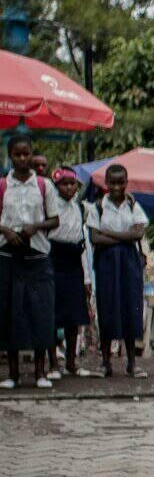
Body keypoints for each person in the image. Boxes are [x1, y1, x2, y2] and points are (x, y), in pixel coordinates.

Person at [0, 136, 59, 389]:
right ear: (10, 156)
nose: (22, 158)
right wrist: (6, 231)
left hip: (38, 256)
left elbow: (55, 219)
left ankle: (40, 372)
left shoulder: (44, 186)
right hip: (8, 255)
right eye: (17, 154)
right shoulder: (3, 185)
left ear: (32, 154)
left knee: (41, 313)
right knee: (10, 312)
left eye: (26, 154)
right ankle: (13, 374)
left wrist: (35, 227)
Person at [87, 164, 148, 379]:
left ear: (126, 182)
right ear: (106, 183)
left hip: (129, 263)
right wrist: (124, 236)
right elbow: (95, 238)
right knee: (107, 307)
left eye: (120, 182)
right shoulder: (98, 207)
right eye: (112, 182)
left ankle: (132, 363)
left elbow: (138, 234)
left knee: (130, 307)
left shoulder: (133, 206)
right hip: (106, 263)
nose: (116, 187)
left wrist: (109, 234)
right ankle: (106, 363)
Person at [47, 168, 95, 379]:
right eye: (64, 184)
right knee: (53, 313)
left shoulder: (80, 207)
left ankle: (71, 362)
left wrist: (87, 277)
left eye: (71, 183)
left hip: (74, 259)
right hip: (54, 257)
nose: (68, 188)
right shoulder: (50, 206)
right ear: (56, 186)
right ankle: (53, 363)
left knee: (74, 316)